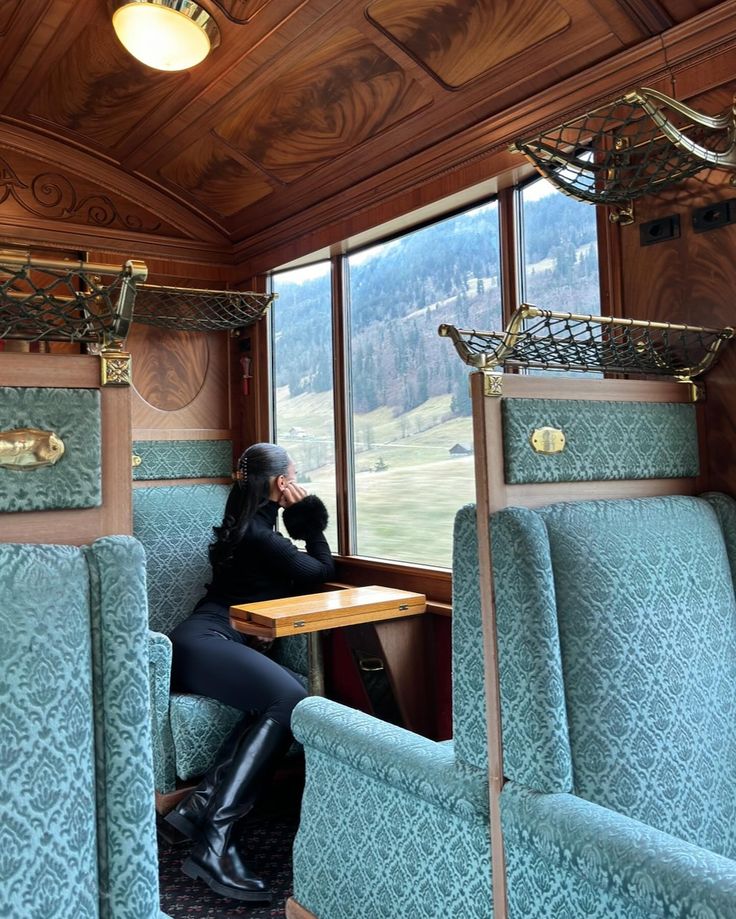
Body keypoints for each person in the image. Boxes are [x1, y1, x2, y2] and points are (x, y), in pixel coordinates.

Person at [166, 442, 335, 903]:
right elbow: (321, 569)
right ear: (283, 484)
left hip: (202, 641)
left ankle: (201, 805)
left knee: (276, 699)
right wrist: (309, 519)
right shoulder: (263, 538)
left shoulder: (248, 526)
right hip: (205, 642)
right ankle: (215, 843)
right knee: (293, 699)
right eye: (294, 477)